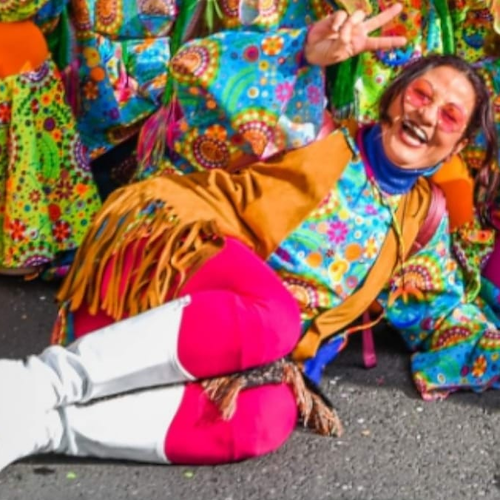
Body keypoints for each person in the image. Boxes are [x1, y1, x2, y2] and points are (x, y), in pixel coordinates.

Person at [0, 4, 499, 471]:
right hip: (154, 274)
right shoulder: (310, 128)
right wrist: (301, 52)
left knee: (270, 415)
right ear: (394, 98)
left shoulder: (421, 221)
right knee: (277, 317)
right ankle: (37, 382)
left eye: (450, 115)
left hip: (215, 346)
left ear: (458, 143)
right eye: (421, 95)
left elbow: (447, 317)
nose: (428, 115)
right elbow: (194, 68)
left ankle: (41, 428)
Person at [0, 18, 101, 276]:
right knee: (35, 156)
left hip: (23, 60)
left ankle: (26, 245)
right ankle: (30, 244)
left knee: (32, 154)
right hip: (26, 57)